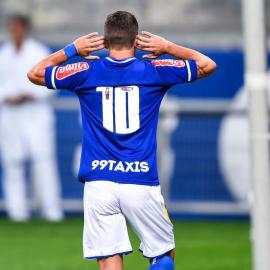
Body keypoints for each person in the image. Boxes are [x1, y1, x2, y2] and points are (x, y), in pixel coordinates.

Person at [28, 10, 216, 270]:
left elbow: (36, 73)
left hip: (99, 182)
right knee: (162, 255)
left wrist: (71, 49)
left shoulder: (85, 71)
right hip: (139, 178)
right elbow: (207, 65)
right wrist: (167, 47)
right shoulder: (155, 70)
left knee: (109, 259)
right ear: (137, 40)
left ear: (104, 41)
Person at [0, 14, 63, 222]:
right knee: (12, 161)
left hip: (35, 112)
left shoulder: (39, 52)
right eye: (11, 27)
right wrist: (7, 97)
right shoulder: (4, 53)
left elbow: (51, 84)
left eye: (17, 27)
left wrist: (31, 94)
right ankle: (17, 211)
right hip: (9, 113)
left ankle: (51, 210)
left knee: (43, 160)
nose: (14, 31)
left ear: (25, 28)